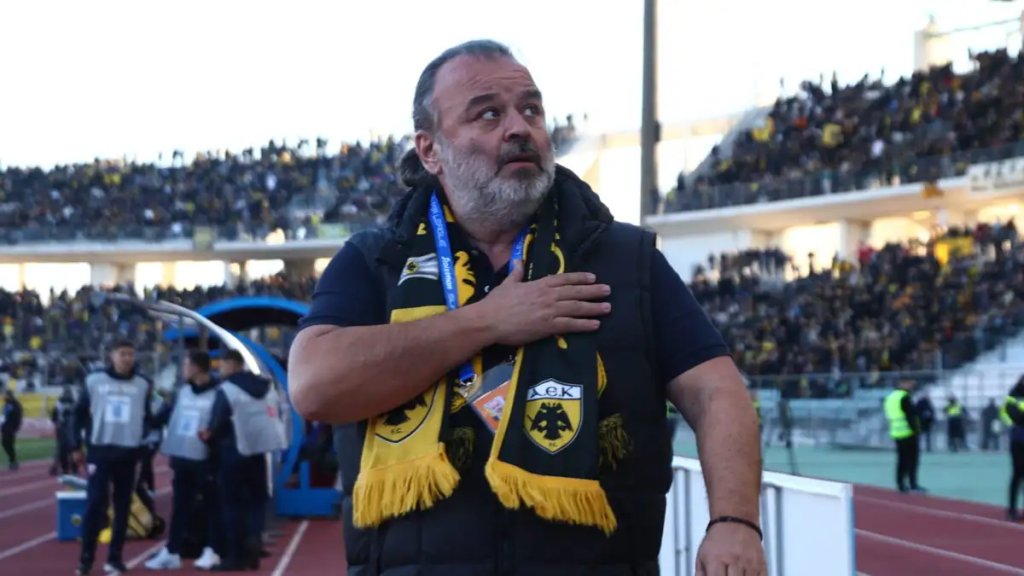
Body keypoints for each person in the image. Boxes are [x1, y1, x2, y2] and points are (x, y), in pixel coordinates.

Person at [288, 39, 766, 576]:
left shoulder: (624, 259)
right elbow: (314, 385)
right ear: (430, 150)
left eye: (531, 110)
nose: (520, 127)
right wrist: (486, 321)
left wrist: (735, 522)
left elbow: (716, 391)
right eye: (488, 114)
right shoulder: (375, 260)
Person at [71, 340, 156, 576]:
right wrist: (75, 445)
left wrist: (145, 442)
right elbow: (77, 415)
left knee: (123, 506)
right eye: (122, 354)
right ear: (112, 355)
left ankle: (115, 559)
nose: (127, 358)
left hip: (129, 452)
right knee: (95, 503)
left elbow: (147, 418)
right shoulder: (94, 381)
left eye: (131, 354)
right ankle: (86, 560)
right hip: (100, 450)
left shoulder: (143, 384)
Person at [203, 349, 286, 571]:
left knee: (232, 505)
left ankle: (236, 556)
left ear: (231, 364)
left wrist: (209, 437)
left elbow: (217, 421)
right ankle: (254, 538)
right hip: (259, 452)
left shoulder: (227, 389)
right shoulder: (265, 386)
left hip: (232, 452)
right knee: (257, 500)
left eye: (222, 364)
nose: (220, 369)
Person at [145, 350, 222, 571]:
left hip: (206, 460)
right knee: (180, 507)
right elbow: (163, 416)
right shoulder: (182, 392)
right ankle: (172, 551)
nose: (183, 369)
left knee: (212, 506)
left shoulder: (218, 393)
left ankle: (213, 549)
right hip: (182, 459)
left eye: (186, 365)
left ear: (196, 367)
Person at [884, 380, 926, 494]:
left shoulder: (890, 397)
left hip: (896, 431)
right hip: (908, 432)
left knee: (901, 460)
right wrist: (916, 430)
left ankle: (901, 484)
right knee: (912, 460)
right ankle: (913, 484)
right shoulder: (904, 397)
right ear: (902, 384)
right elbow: (910, 414)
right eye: (909, 383)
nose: (911, 386)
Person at [1004, 378, 1024, 521]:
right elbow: (1015, 416)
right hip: (1018, 440)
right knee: (1018, 473)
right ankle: (1012, 510)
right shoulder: (1013, 397)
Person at [50, 386, 78, 476]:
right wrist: (56, 422)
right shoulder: (60, 403)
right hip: (64, 429)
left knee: (69, 449)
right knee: (64, 449)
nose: (67, 395)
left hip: (70, 428)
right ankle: (68, 468)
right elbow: (54, 415)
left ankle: (71, 468)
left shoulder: (72, 403)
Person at [2, 389, 23, 471]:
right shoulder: (7, 404)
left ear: (10, 395)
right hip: (5, 426)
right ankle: (12, 460)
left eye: (6, 395)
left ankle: (13, 461)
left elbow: (19, 416)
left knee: (9, 444)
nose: (4, 396)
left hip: (11, 427)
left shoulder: (16, 404)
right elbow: (4, 414)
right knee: (4, 444)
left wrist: (16, 426)